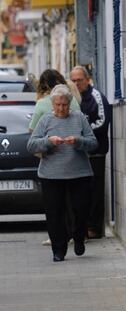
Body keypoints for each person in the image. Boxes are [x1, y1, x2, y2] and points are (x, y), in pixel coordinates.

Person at [27, 84, 98, 262]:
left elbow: (93, 143)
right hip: (51, 175)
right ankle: (58, 249)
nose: (61, 108)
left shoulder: (79, 118)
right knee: (54, 214)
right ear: (52, 104)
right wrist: (49, 141)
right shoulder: (45, 120)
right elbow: (31, 145)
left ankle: (79, 236)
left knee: (81, 210)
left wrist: (79, 141)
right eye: (58, 105)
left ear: (70, 103)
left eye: (64, 105)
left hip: (79, 173)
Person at [70, 65, 112, 239]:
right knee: (81, 193)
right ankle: (81, 227)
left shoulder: (96, 97)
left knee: (95, 192)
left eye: (79, 80)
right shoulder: (72, 99)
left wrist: (83, 133)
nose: (76, 83)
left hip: (95, 153)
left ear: (87, 79)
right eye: (73, 80)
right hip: (77, 155)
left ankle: (95, 228)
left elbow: (102, 122)